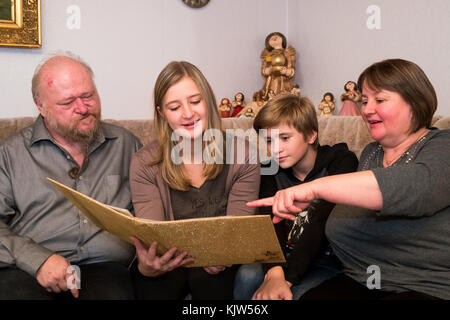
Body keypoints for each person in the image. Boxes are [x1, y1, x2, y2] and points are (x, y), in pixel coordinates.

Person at [248, 59, 450, 300]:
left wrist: (314, 189)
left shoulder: (441, 145)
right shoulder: (370, 154)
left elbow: (415, 187)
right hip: (358, 279)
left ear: (414, 102)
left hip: (423, 286)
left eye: (379, 100)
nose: (366, 109)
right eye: (364, 101)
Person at [0, 52, 142, 300]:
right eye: (67, 103)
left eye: (89, 96)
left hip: (106, 269)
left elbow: (153, 211)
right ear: (40, 106)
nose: (83, 108)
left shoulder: (126, 144)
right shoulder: (11, 154)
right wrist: (38, 260)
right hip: (29, 270)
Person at [129, 61, 260, 300]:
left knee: (210, 282)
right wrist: (149, 264)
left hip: (219, 264)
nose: (188, 114)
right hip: (170, 263)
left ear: (209, 101)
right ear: (161, 112)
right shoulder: (144, 162)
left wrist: (223, 254)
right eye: (174, 107)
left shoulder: (245, 155)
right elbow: (153, 235)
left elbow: (238, 228)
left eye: (195, 101)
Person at [234, 93, 358, 300]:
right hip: (281, 255)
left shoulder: (340, 161)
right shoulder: (268, 170)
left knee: (296, 293)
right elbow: (268, 222)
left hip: (324, 257)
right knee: (247, 276)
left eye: (284, 138)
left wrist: (287, 279)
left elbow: (321, 220)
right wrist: (274, 271)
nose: (275, 149)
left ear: (311, 135)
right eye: (268, 140)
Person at [254, 32, 296, 102]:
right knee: (270, 95)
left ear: (283, 39)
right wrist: (267, 70)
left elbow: (291, 67)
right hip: (271, 80)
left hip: (283, 81)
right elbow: (264, 67)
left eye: (277, 36)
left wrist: (286, 71)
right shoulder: (268, 56)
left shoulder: (287, 54)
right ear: (268, 42)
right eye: (271, 37)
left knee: (284, 97)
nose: (274, 37)